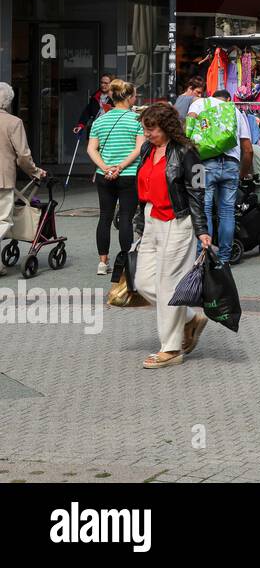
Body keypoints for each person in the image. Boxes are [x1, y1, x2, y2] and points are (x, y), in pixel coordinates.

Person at [131, 104, 211, 369]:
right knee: (142, 282)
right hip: (151, 218)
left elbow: (198, 192)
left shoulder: (188, 152)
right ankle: (189, 317)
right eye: (145, 128)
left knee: (168, 285)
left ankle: (172, 349)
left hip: (178, 222)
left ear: (166, 127)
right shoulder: (146, 150)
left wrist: (202, 229)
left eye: (151, 128)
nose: (147, 133)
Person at [187, 89, 253, 266]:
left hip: (203, 164)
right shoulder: (236, 111)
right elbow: (248, 149)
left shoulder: (198, 104)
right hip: (231, 164)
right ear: (228, 99)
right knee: (227, 211)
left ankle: (203, 256)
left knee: (204, 208)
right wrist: (243, 173)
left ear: (211, 95)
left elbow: (188, 133)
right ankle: (224, 257)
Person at [86, 79, 145, 277]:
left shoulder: (100, 120)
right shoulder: (136, 120)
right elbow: (139, 149)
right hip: (128, 174)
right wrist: (120, 167)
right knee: (126, 218)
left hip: (105, 176)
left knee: (105, 216)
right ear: (128, 98)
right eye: (134, 95)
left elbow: (91, 149)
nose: (136, 99)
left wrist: (105, 168)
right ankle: (126, 262)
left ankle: (102, 262)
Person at [0, 82, 47, 277]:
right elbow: (23, 155)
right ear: (8, 102)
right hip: (2, 179)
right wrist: (35, 172)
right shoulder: (13, 122)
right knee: (2, 219)